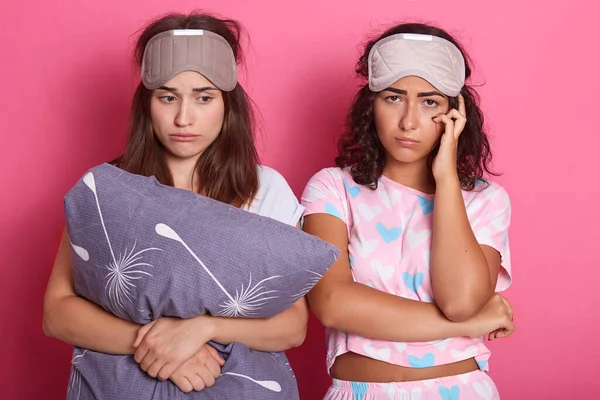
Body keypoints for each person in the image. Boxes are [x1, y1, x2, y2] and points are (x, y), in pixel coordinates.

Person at [43, 11, 308, 395]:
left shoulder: (264, 189)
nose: (184, 117)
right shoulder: (107, 189)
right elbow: (57, 312)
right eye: (168, 97)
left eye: (204, 98)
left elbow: (293, 325)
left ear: (228, 105)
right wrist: (160, 347)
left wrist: (203, 329)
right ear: (146, 104)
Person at [301, 22, 514, 399]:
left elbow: (460, 301)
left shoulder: (485, 200)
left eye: (429, 102)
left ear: (455, 112)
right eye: (393, 97)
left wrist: (446, 177)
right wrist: (471, 322)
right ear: (371, 104)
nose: (409, 122)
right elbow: (333, 305)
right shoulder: (333, 188)